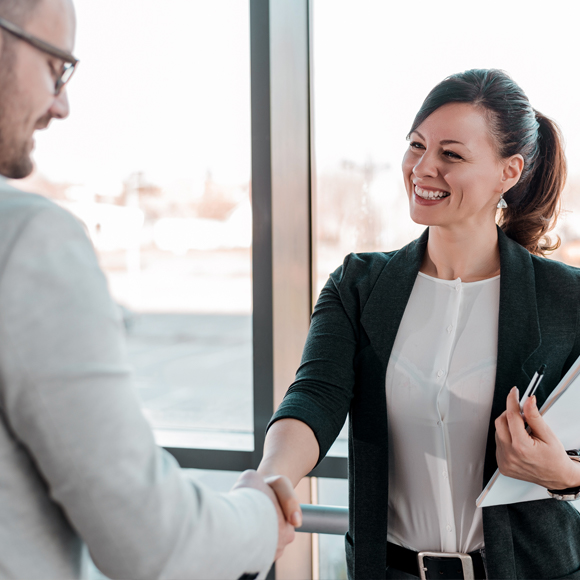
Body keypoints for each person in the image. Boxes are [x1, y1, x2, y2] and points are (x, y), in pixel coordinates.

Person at [0, 0, 301, 578]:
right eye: (55, 65)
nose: (62, 105)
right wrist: (262, 516)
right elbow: (152, 541)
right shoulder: (29, 242)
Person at [258, 69, 580, 580]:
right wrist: (270, 479)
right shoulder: (359, 284)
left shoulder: (568, 298)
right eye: (416, 145)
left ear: (509, 171)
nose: (423, 168)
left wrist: (565, 476)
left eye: (451, 154)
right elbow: (315, 395)